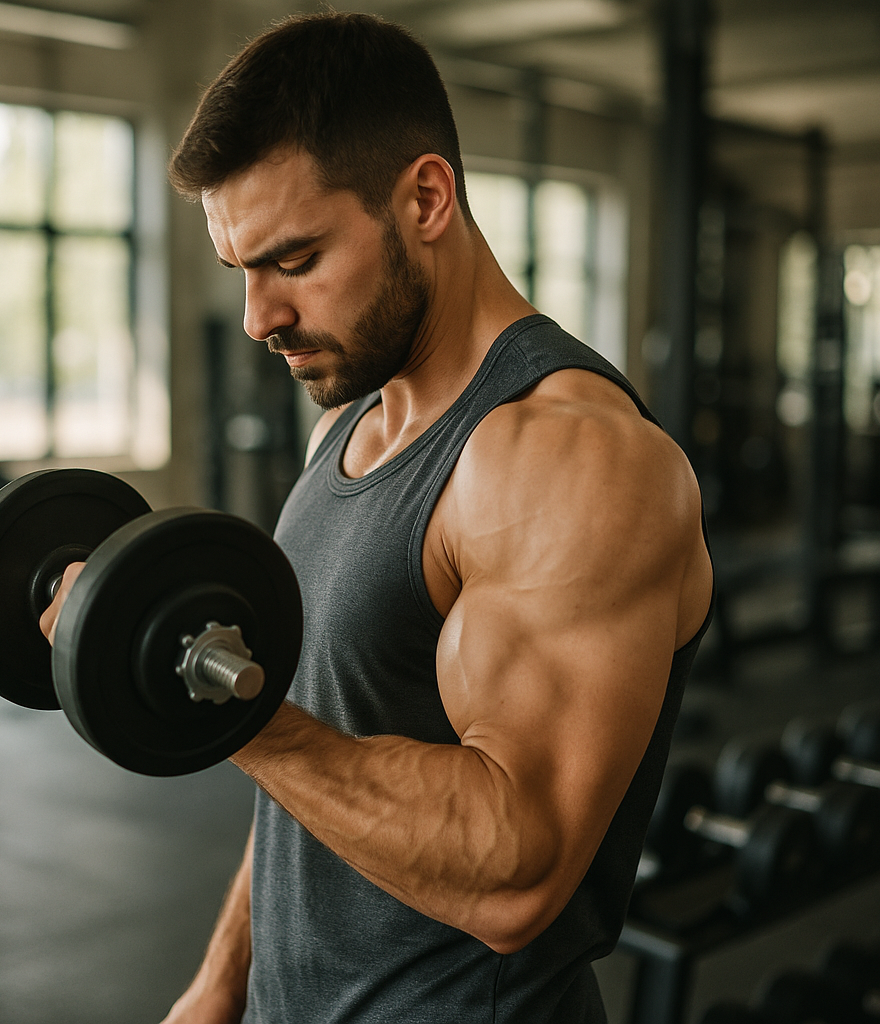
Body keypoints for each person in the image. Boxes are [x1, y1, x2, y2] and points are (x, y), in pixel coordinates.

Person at [43, 11, 713, 1023]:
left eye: (295, 258)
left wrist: (209, 700)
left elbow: (516, 872)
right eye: (242, 269)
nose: (257, 318)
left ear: (426, 198)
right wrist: (223, 982)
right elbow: (323, 747)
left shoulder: (568, 458)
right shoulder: (345, 426)